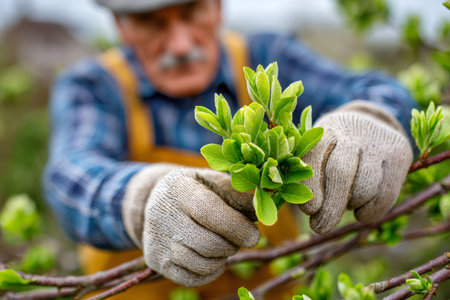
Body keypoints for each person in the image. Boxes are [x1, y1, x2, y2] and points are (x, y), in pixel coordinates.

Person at [43, 0, 416, 298]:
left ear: (218, 6)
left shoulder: (267, 58)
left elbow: (379, 90)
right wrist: (141, 200)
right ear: (120, 26)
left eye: (194, 11)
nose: (181, 45)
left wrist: (373, 116)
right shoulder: (93, 85)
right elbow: (68, 178)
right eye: (151, 22)